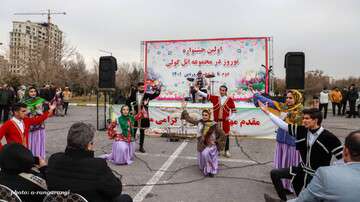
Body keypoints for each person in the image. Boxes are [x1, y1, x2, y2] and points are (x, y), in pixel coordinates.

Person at [259, 105, 343, 201]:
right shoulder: (302, 130)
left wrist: (329, 173)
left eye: (307, 119)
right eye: (303, 118)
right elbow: (284, 126)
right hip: (301, 169)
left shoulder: (329, 138)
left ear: (316, 120)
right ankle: (283, 200)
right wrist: (267, 112)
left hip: (317, 176)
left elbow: (343, 158)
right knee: (275, 173)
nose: (303, 121)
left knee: (307, 199)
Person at [252, 88, 303, 193]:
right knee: (282, 163)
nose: (287, 100)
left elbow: (291, 127)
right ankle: (282, 184)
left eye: (290, 98)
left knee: (290, 165)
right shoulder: (283, 107)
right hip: (281, 141)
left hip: (292, 143)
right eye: (287, 97)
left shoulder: (301, 111)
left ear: (297, 99)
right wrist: (257, 95)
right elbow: (270, 103)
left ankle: (290, 186)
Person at [289, 130, 360, 202]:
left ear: (345, 151)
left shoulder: (326, 174)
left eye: (307, 118)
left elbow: (303, 200)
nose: (305, 121)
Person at [181, 101, 226, 177]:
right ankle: (207, 168)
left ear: (209, 116)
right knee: (202, 163)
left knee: (206, 154)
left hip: (210, 145)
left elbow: (223, 134)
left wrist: (217, 142)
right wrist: (184, 109)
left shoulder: (214, 125)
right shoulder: (200, 122)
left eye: (206, 115)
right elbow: (189, 119)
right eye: (203, 115)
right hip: (201, 144)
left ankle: (211, 171)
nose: (204, 116)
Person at [194, 85, 236, 158]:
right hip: (216, 122)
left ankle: (227, 150)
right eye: (221, 90)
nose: (222, 91)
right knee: (216, 136)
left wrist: (229, 118)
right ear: (219, 90)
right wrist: (198, 91)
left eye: (223, 90)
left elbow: (234, 111)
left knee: (226, 136)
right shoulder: (216, 98)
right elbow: (206, 95)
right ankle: (218, 150)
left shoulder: (230, 100)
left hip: (225, 122)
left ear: (226, 91)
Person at [126, 82, 161, 153]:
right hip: (135, 116)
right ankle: (131, 146)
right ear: (138, 87)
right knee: (133, 132)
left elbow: (155, 95)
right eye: (141, 87)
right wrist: (130, 110)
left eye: (143, 87)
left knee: (142, 132)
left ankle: (141, 147)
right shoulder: (133, 94)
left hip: (143, 116)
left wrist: (157, 89)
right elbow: (127, 102)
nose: (142, 89)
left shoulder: (147, 95)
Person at [23, 87, 50, 159]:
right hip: (29, 125)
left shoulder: (41, 100)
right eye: (31, 91)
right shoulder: (24, 102)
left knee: (39, 141)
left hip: (39, 125)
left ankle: (39, 156)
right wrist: (30, 109)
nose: (33, 93)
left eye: (34, 91)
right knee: (30, 141)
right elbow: (22, 113)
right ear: (27, 93)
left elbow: (47, 110)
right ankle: (30, 157)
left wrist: (41, 109)